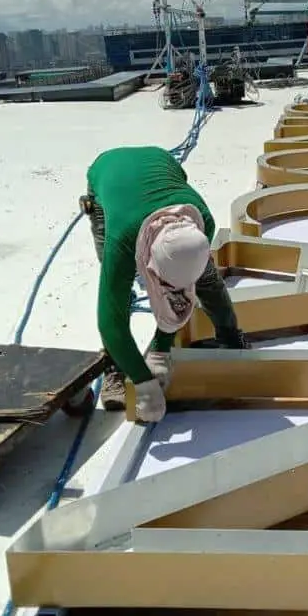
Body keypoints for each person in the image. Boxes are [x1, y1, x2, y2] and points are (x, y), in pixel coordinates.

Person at [81, 145, 250, 423]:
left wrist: (161, 348)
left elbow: (188, 291)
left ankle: (230, 335)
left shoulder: (201, 222)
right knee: (117, 291)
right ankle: (115, 366)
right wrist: (143, 383)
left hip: (160, 162)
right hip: (108, 174)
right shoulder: (122, 239)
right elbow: (110, 320)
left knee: (207, 279)